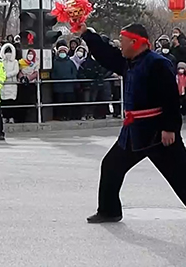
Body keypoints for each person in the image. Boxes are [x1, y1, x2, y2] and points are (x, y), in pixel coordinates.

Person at [78, 23, 186, 223]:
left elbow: (170, 98)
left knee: (181, 176)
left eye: (123, 41)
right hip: (133, 131)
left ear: (135, 42)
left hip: (157, 132)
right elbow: (106, 54)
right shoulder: (128, 62)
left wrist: (170, 128)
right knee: (111, 166)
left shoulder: (158, 63)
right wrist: (86, 34)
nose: (120, 45)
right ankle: (109, 211)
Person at [52, 44, 78, 120]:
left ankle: (68, 116)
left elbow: (74, 72)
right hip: (58, 87)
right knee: (59, 102)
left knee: (68, 102)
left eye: (64, 52)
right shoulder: (55, 62)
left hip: (69, 86)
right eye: (61, 52)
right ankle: (60, 116)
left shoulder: (70, 62)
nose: (62, 53)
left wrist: (71, 79)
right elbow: (53, 73)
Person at [0, 43, 19, 124]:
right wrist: (2, 76)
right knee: (4, 101)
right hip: (3, 84)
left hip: (12, 83)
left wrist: (7, 75)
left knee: (11, 101)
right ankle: (5, 117)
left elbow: (16, 71)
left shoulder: (15, 62)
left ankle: (11, 117)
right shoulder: (1, 62)